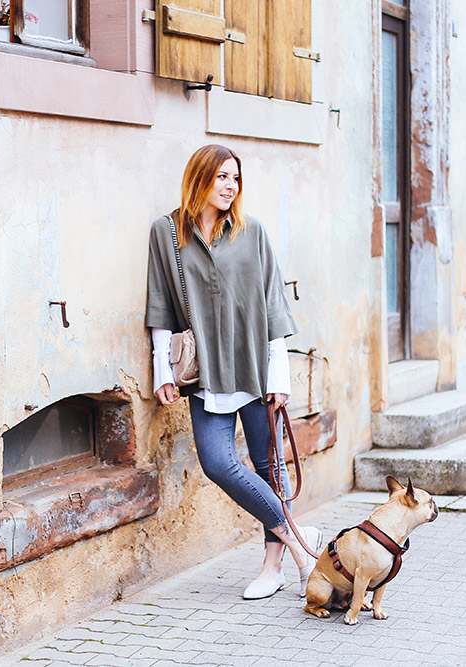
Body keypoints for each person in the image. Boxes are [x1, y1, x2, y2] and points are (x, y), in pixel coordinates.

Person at [145, 144, 322, 600]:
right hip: (206, 372)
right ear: (199, 178)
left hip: (255, 368)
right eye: (222, 177)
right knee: (218, 463)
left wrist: (279, 376)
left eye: (235, 178)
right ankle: (302, 543)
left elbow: (272, 305)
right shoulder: (166, 234)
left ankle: (275, 565)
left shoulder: (252, 231)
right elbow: (161, 304)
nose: (230, 187)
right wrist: (161, 368)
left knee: (268, 466)